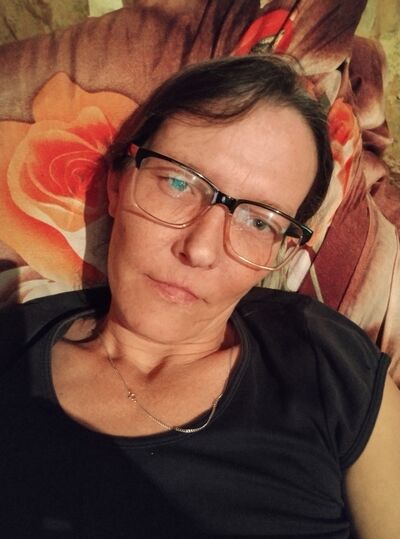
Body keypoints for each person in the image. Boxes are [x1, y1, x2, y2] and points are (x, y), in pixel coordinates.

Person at [0, 54, 399, 539]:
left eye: (259, 222)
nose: (200, 249)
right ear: (117, 183)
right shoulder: (12, 352)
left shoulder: (328, 360)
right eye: (178, 182)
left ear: (281, 251)